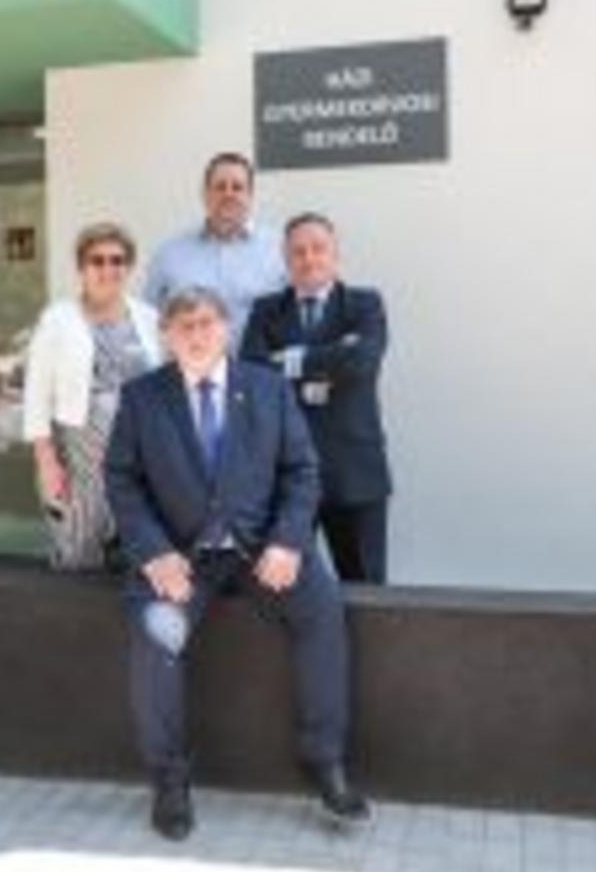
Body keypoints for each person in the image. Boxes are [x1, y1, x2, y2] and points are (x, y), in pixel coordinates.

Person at [106, 285, 369, 841]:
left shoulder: (268, 389)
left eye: (206, 323)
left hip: (261, 549)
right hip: (180, 556)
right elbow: (122, 481)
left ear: (225, 329)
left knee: (323, 611)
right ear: (167, 336)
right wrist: (154, 552)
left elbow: (302, 471)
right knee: (157, 634)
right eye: (184, 326)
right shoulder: (142, 397)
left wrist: (289, 541)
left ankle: (326, 761)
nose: (197, 335)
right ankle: (169, 779)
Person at [242, 213, 393, 583]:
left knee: (366, 589)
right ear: (286, 259)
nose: (309, 259)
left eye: (318, 249)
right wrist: (333, 358)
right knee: (281, 587)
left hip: (355, 473)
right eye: (298, 252)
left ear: (335, 255)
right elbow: (253, 375)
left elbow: (361, 362)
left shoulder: (364, 305)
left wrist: (291, 360)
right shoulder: (266, 310)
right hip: (286, 474)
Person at [23, 222, 161, 570]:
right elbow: (36, 394)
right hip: (80, 460)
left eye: (117, 260)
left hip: (139, 458)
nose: (107, 269)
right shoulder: (58, 319)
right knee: (79, 550)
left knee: (137, 551)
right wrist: (46, 462)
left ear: (129, 266)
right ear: (81, 267)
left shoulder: (148, 318)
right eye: (96, 260)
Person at [142, 151, 286, 344]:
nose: (228, 194)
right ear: (205, 194)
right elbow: (148, 321)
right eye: (220, 187)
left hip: (259, 361)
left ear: (250, 195)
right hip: (189, 362)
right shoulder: (169, 254)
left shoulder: (280, 250)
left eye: (237, 187)